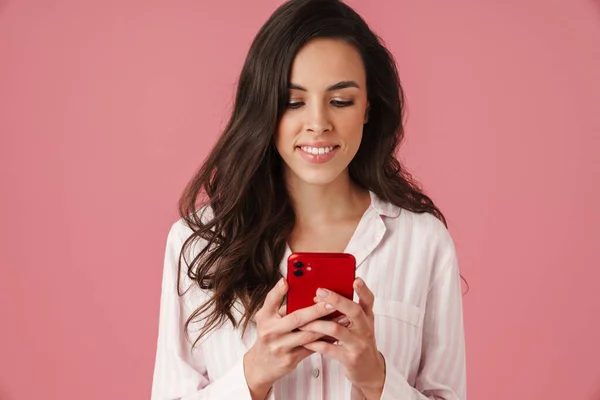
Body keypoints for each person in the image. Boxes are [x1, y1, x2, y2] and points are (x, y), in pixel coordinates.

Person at [151, 0, 466, 399]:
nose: (318, 123)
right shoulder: (198, 244)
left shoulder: (423, 243)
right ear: (265, 107)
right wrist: (253, 375)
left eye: (340, 101)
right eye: (293, 102)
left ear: (368, 106)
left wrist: (376, 379)